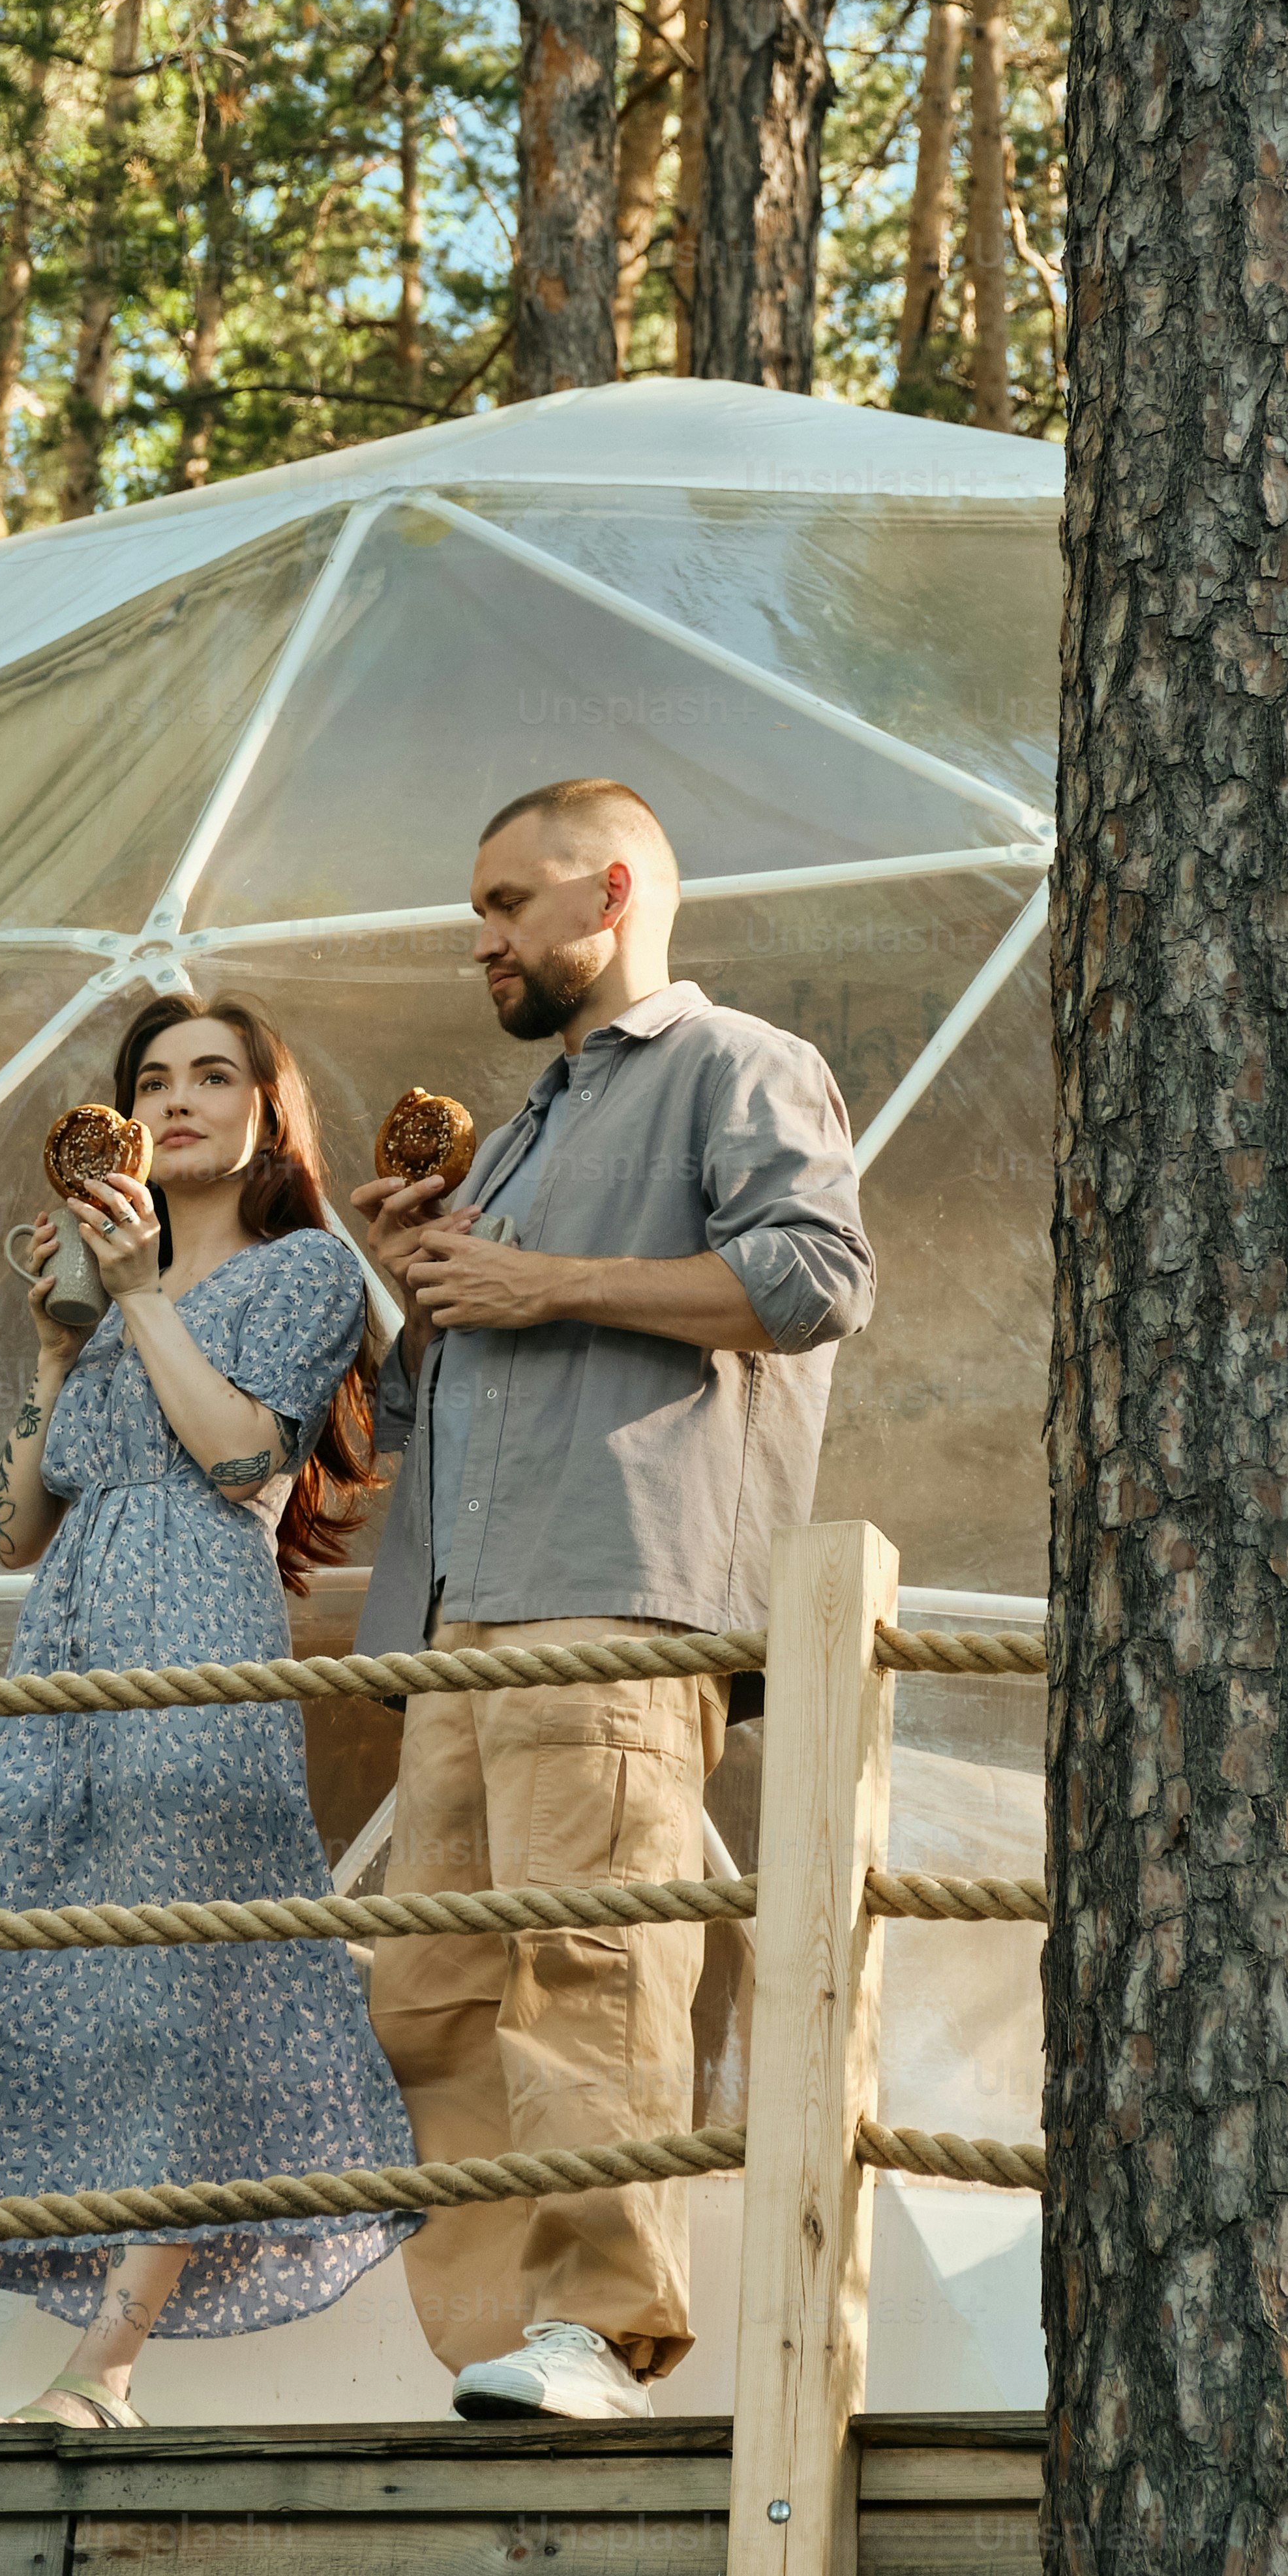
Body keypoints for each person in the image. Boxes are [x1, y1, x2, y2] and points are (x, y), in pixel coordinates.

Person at [345, 778, 873, 2423]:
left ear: (613, 893)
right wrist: (431, 1286)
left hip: (615, 1594)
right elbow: (453, 1392)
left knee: (588, 1962)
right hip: (464, 1614)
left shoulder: (738, 1064)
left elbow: (814, 1278)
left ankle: (601, 2329)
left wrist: (542, 1280)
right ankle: (500, 2347)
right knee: (432, 1994)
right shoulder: (522, 1129)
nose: (481, 939)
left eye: (507, 902)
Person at [0, 993, 415, 2430]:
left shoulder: (305, 1272)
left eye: (214, 1077)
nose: (177, 1102)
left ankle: (105, 2371)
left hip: (197, 1638)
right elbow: (13, 1534)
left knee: (172, 2002)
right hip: (61, 1656)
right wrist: (52, 1349)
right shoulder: (100, 1291)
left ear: (270, 1113)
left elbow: (239, 1460)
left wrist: (143, 1294)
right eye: (153, 1081)